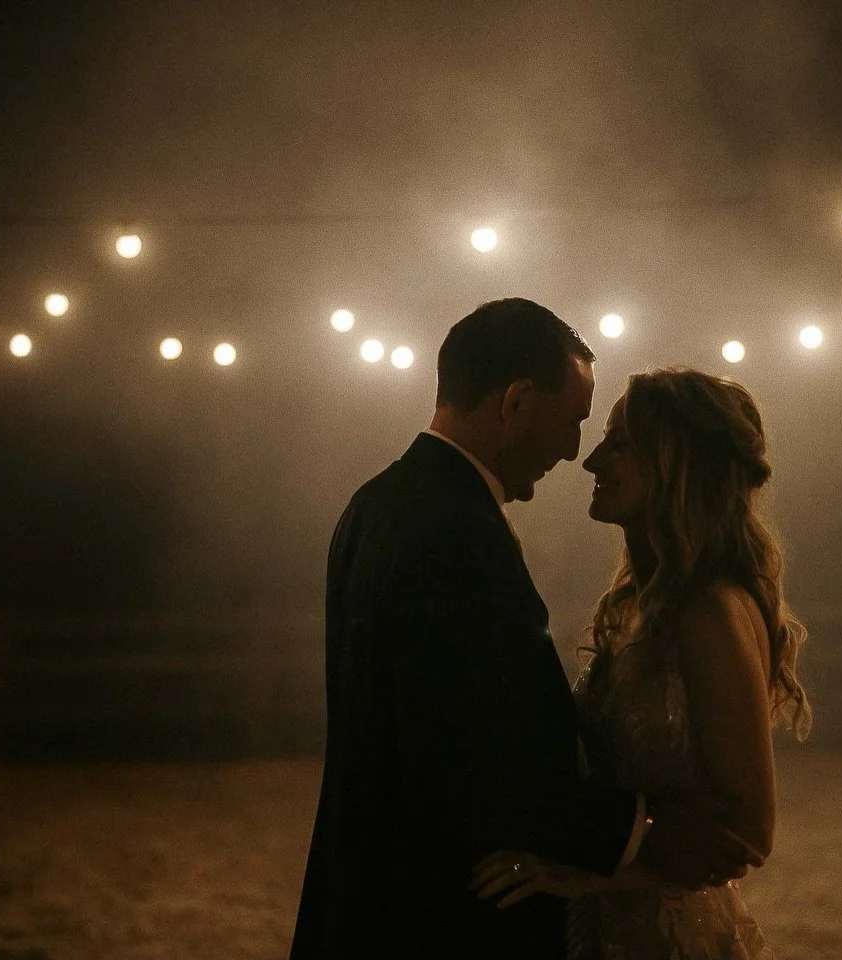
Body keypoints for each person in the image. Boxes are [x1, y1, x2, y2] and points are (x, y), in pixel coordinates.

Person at [289, 301, 764, 960]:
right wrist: (629, 838)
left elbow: (467, 732)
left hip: (395, 900)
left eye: (611, 439)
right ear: (514, 402)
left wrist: (604, 861)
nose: (580, 452)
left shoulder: (379, 505)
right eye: (574, 422)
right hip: (437, 914)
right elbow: (476, 748)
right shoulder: (455, 528)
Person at [470, 367, 812, 959]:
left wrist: (585, 876)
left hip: (668, 937)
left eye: (620, 442)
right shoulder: (642, 607)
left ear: (681, 462)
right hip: (601, 931)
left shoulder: (709, 612)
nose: (592, 459)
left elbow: (749, 832)